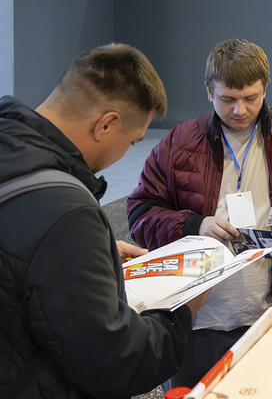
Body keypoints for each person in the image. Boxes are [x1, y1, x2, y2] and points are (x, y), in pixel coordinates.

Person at [126, 38, 272, 388]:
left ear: (265, 89)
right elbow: (140, 212)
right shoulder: (179, 143)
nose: (239, 110)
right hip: (195, 320)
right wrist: (194, 225)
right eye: (228, 99)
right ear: (209, 92)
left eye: (251, 98)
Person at [0, 44, 208, 398]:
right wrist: (182, 311)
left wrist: (87, 257)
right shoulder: (67, 213)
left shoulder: (12, 152)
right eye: (131, 141)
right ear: (107, 124)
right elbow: (113, 362)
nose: (127, 151)